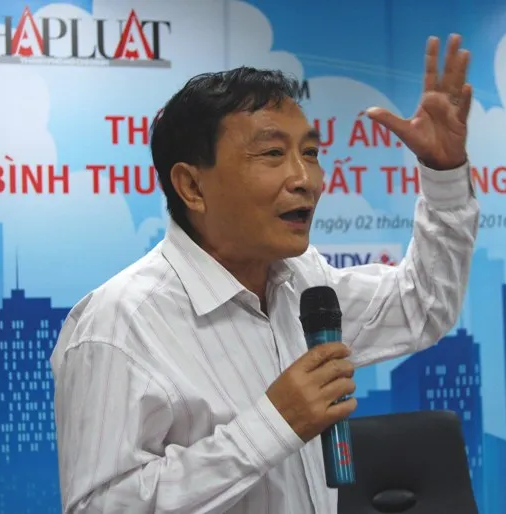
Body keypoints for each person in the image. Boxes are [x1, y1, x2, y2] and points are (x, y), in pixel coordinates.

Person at [50, 33, 479, 514]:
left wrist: (444, 173)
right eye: (273, 154)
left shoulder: (303, 281)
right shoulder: (118, 325)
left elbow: (422, 306)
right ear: (192, 186)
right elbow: (99, 507)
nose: (305, 179)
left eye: (310, 153)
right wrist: (273, 425)